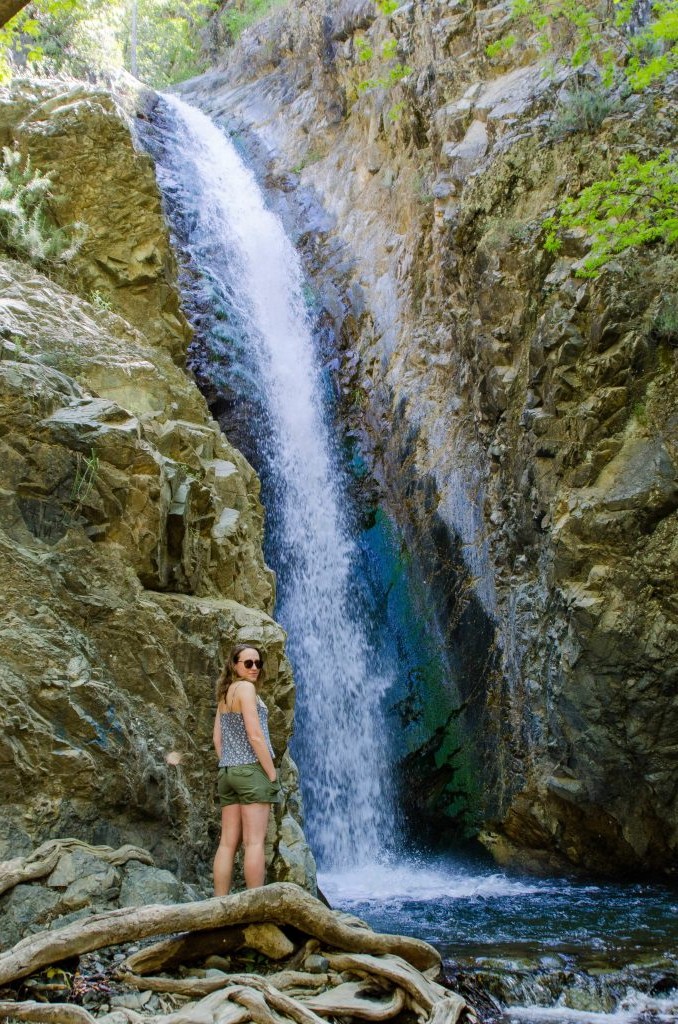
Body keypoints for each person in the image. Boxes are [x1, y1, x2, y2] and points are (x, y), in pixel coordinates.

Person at [212, 643, 281, 895]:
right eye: (248, 663)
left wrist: (230, 762)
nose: (254, 668)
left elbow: (217, 740)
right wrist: (271, 773)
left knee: (227, 843)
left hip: (228, 772)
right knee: (254, 843)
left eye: (258, 663)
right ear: (234, 664)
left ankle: (218, 903)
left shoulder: (226, 692)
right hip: (251, 771)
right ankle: (255, 906)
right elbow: (255, 735)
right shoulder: (247, 690)